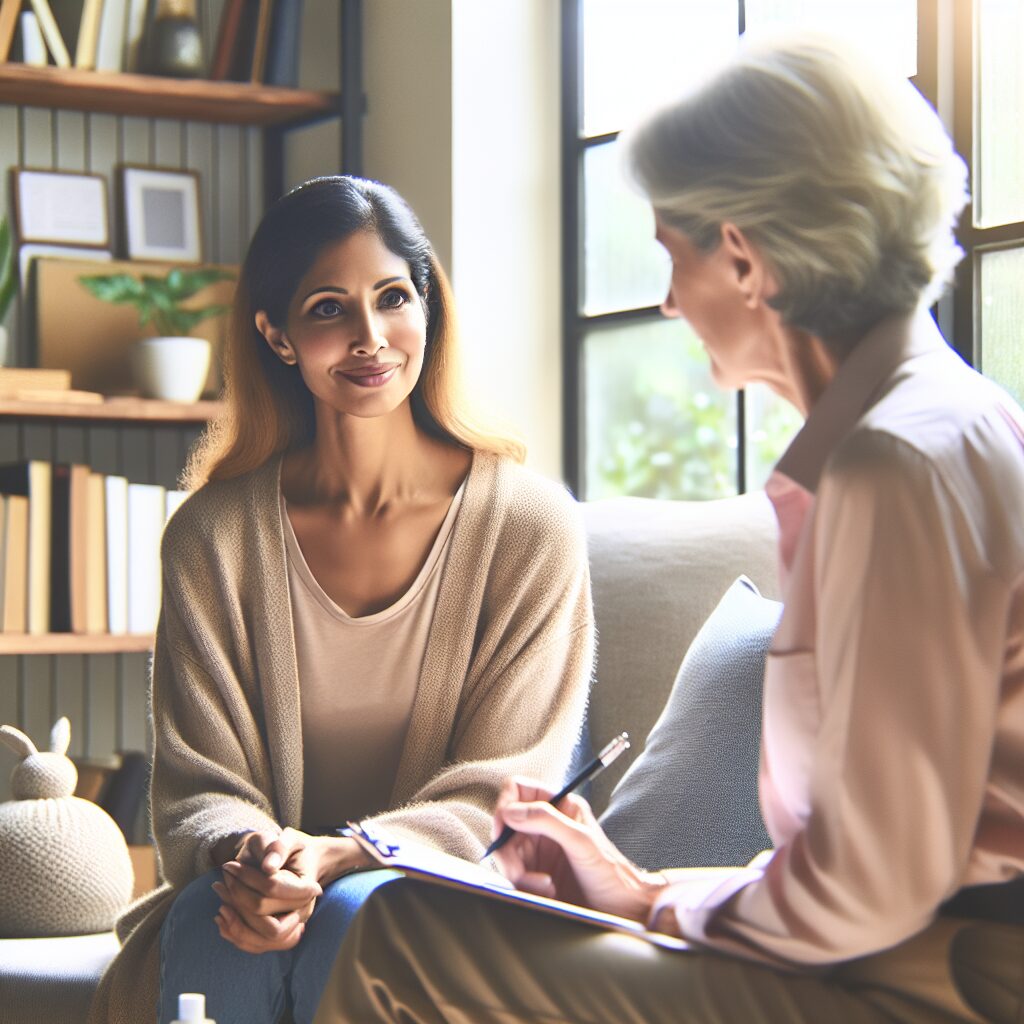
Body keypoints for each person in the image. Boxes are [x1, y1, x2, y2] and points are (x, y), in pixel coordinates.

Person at [313, 34, 1024, 1024]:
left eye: (670, 255)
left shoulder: (892, 463)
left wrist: (653, 902)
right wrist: (634, 882)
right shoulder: (956, 423)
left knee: (405, 934)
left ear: (742, 258)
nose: (666, 299)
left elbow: (870, 887)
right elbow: (884, 853)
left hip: (953, 983)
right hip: (924, 949)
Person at [86, 176, 594, 1024]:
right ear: (276, 335)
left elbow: (507, 787)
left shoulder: (532, 528)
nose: (370, 337)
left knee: (361, 915)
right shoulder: (211, 537)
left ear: (428, 307)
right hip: (251, 889)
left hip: (451, 892)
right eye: (329, 308)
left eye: (394, 297)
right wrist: (257, 859)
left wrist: (347, 856)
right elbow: (200, 782)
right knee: (219, 926)